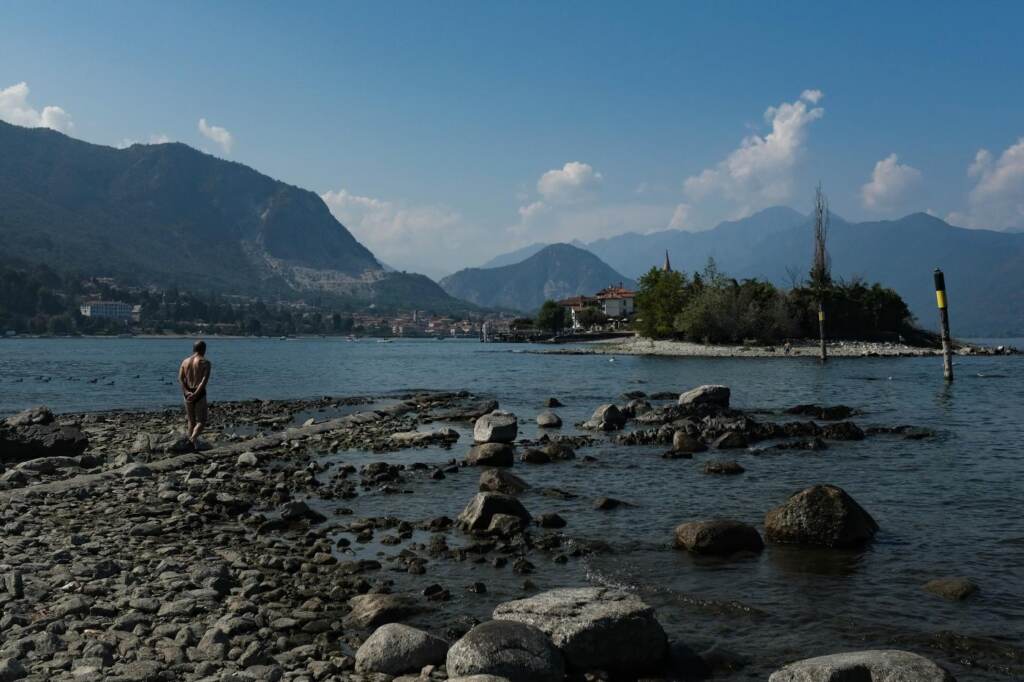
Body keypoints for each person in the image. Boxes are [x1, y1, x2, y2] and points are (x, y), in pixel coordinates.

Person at [178, 340, 212, 451]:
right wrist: (196, 393)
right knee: (201, 420)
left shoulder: (185, 361)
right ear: (204, 350)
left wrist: (187, 392)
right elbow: (203, 380)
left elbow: (180, 379)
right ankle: (193, 438)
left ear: (193, 349)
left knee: (191, 420)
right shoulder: (205, 362)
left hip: (187, 392)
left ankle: (191, 444)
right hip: (199, 392)